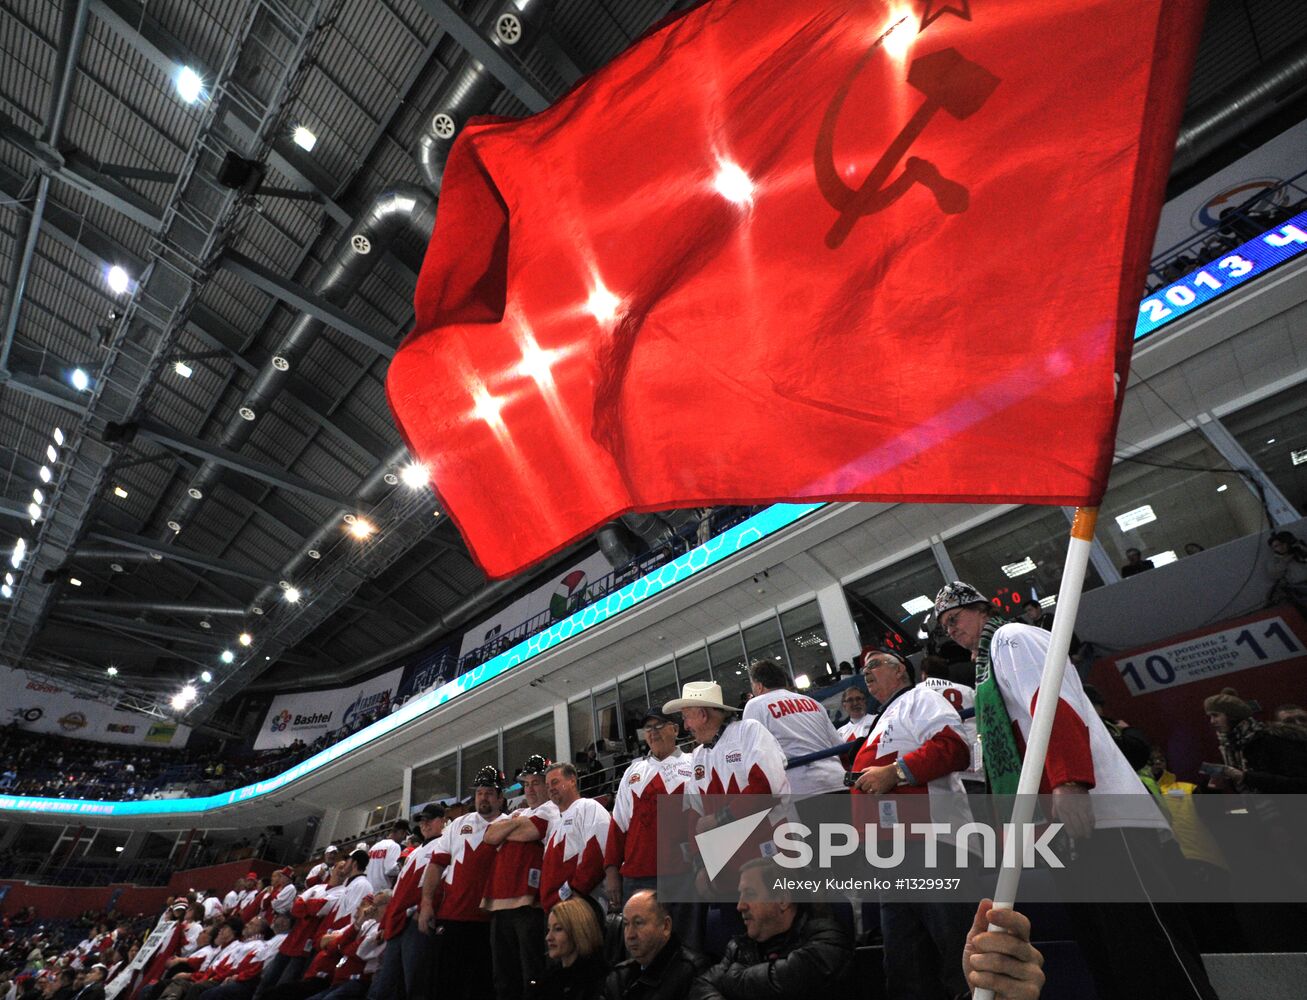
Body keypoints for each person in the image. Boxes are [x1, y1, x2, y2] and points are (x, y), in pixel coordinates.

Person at [935, 580, 1218, 1000]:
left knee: (1152, 957)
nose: (952, 631)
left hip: (1102, 815)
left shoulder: (1013, 638)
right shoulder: (991, 665)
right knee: (1113, 961)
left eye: (955, 619)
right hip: (1069, 830)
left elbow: (1050, 703)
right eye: (945, 627)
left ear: (982, 609)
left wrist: (1069, 780)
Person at [851, 647, 975, 999]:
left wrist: (896, 772)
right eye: (864, 669)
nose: (867, 673)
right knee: (906, 972)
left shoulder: (922, 698)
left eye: (875, 665)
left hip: (930, 846)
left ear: (901, 670)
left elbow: (955, 747)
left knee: (960, 961)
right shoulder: (882, 719)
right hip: (890, 857)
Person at [418, 766, 504, 1000]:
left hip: (489, 922)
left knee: (480, 987)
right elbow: (436, 865)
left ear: (500, 797)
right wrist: (426, 903)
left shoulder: (511, 824)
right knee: (444, 986)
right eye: (479, 793)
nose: (483, 797)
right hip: (452, 918)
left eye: (488, 792)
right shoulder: (458, 824)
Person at [484, 756, 558, 1000]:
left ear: (547, 785)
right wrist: (515, 824)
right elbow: (490, 836)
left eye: (535, 782)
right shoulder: (521, 812)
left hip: (530, 903)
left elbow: (531, 831)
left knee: (532, 971)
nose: (530, 789)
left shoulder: (552, 809)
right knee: (503, 974)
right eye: (526, 784)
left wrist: (511, 826)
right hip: (499, 903)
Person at [603, 709, 694, 906]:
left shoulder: (694, 764)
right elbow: (618, 824)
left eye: (659, 725)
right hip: (637, 876)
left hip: (683, 873)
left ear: (675, 729)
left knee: (685, 935)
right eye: (648, 728)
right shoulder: (633, 772)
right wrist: (611, 870)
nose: (653, 731)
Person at [367, 804, 445, 1000]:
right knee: (387, 986)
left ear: (442, 821)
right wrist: (385, 923)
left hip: (416, 922)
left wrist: (423, 909)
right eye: (422, 820)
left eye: (430, 819)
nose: (425, 824)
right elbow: (399, 890)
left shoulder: (446, 844)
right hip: (398, 923)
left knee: (415, 984)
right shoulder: (414, 853)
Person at [741, 660, 845, 795]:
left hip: (802, 786)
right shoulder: (812, 702)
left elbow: (752, 755)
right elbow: (838, 744)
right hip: (837, 779)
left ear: (759, 686)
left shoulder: (755, 705)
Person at [602, 890, 707, 1000]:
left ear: (666, 926)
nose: (630, 935)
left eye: (638, 923)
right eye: (626, 924)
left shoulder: (693, 973)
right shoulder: (619, 976)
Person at [540, 763, 612, 912]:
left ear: (572, 780)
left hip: (583, 904)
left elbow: (598, 852)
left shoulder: (588, 807)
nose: (551, 789)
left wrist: (576, 892)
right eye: (547, 786)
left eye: (555, 782)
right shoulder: (555, 828)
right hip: (558, 909)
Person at [1204, 687, 1307, 792]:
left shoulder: (1269, 739)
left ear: (1232, 716)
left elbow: (1299, 783)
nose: (1212, 721)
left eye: (1215, 715)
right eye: (1210, 717)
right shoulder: (1228, 747)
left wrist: (1245, 777)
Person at [526, 898, 608, 999]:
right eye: (548, 929)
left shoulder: (597, 980)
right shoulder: (549, 979)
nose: (548, 937)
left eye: (558, 929)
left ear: (579, 931)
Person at [365, 822, 407, 893]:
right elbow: (390, 870)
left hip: (369, 890)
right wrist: (402, 868)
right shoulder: (394, 846)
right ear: (401, 832)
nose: (403, 839)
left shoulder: (374, 847)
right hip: (383, 891)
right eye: (404, 836)